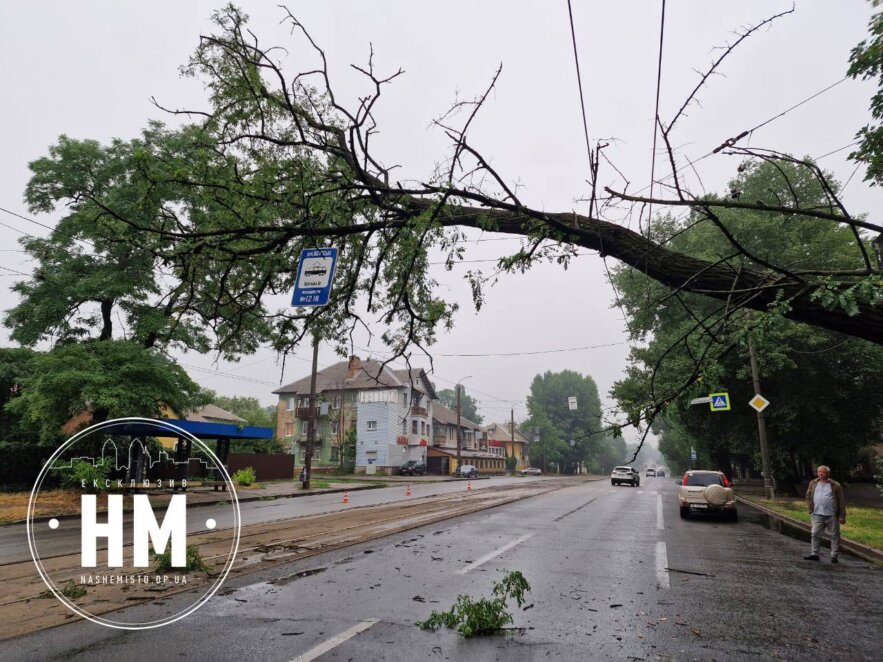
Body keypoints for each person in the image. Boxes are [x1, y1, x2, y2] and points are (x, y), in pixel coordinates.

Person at [803, 465, 846, 563]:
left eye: (822, 472)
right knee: (814, 534)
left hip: (832, 514)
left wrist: (842, 516)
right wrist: (810, 508)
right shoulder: (813, 483)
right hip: (817, 513)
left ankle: (834, 555)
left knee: (835, 535)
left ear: (828, 473)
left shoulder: (836, 485)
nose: (820, 473)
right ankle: (814, 554)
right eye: (819, 472)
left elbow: (841, 501)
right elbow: (808, 496)